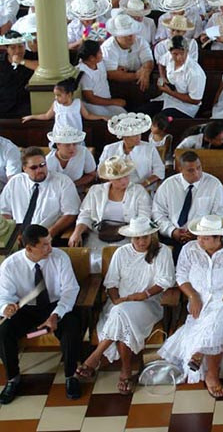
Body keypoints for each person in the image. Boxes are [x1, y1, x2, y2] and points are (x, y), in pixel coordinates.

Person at [158, 215, 223, 398]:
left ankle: (205, 362)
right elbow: (181, 276)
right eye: (198, 236)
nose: (199, 241)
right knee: (215, 323)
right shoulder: (189, 250)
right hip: (201, 303)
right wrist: (193, 296)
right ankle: (208, 366)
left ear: (218, 238)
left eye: (205, 238)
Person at [74, 216, 174, 394]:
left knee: (121, 314)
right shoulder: (121, 253)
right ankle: (125, 371)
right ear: (130, 238)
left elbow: (166, 280)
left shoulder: (162, 251)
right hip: (120, 304)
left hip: (148, 304)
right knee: (121, 316)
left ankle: (95, 356)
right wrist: (116, 301)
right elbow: (111, 282)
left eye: (145, 237)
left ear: (151, 236)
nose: (141, 241)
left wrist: (142, 295)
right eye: (137, 238)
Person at [0, 225, 83, 402]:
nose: (50, 248)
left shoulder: (60, 258)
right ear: (29, 248)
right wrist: (6, 307)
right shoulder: (10, 266)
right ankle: (13, 378)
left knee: (71, 329)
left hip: (55, 306)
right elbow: (4, 296)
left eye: (50, 242)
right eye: (45, 245)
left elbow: (70, 290)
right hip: (25, 310)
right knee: (4, 331)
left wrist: (55, 315)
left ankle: (70, 376)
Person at [69, 156, 152, 249]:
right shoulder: (96, 191)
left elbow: (144, 217)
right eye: (118, 179)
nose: (123, 181)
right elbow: (85, 215)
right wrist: (76, 233)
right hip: (98, 236)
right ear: (110, 179)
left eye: (125, 176)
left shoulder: (139, 191)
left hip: (128, 239)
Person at [152, 151, 223, 248]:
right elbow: (157, 212)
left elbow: (221, 212)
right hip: (173, 236)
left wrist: (201, 232)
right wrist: (172, 231)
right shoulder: (168, 185)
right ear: (181, 169)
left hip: (204, 236)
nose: (197, 173)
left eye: (198, 168)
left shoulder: (214, 185)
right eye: (191, 170)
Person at [0, 147, 80, 238]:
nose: (39, 170)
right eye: (34, 167)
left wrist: (51, 233)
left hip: (47, 235)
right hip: (18, 235)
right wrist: (12, 234)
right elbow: (4, 211)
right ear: (24, 168)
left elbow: (71, 213)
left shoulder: (63, 182)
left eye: (42, 165)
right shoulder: (15, 182)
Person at [99, 112, 166, 191]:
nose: (138, 137)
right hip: (116, 188)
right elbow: (101, 172)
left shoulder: (149, 148)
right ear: (125, 137)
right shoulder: (109, 149)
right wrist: (116, 185)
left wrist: (143, 185)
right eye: (134, 135)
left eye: (139, 134)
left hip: (143, 188)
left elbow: (159, 171)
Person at [45, 126, 96, 192]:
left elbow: (92, 175)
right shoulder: (49, 160)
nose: (72, 148)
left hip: (78, 191)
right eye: (67, 145)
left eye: (74, 144)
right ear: (58, 145)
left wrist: (72, 185)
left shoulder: (83, 152)